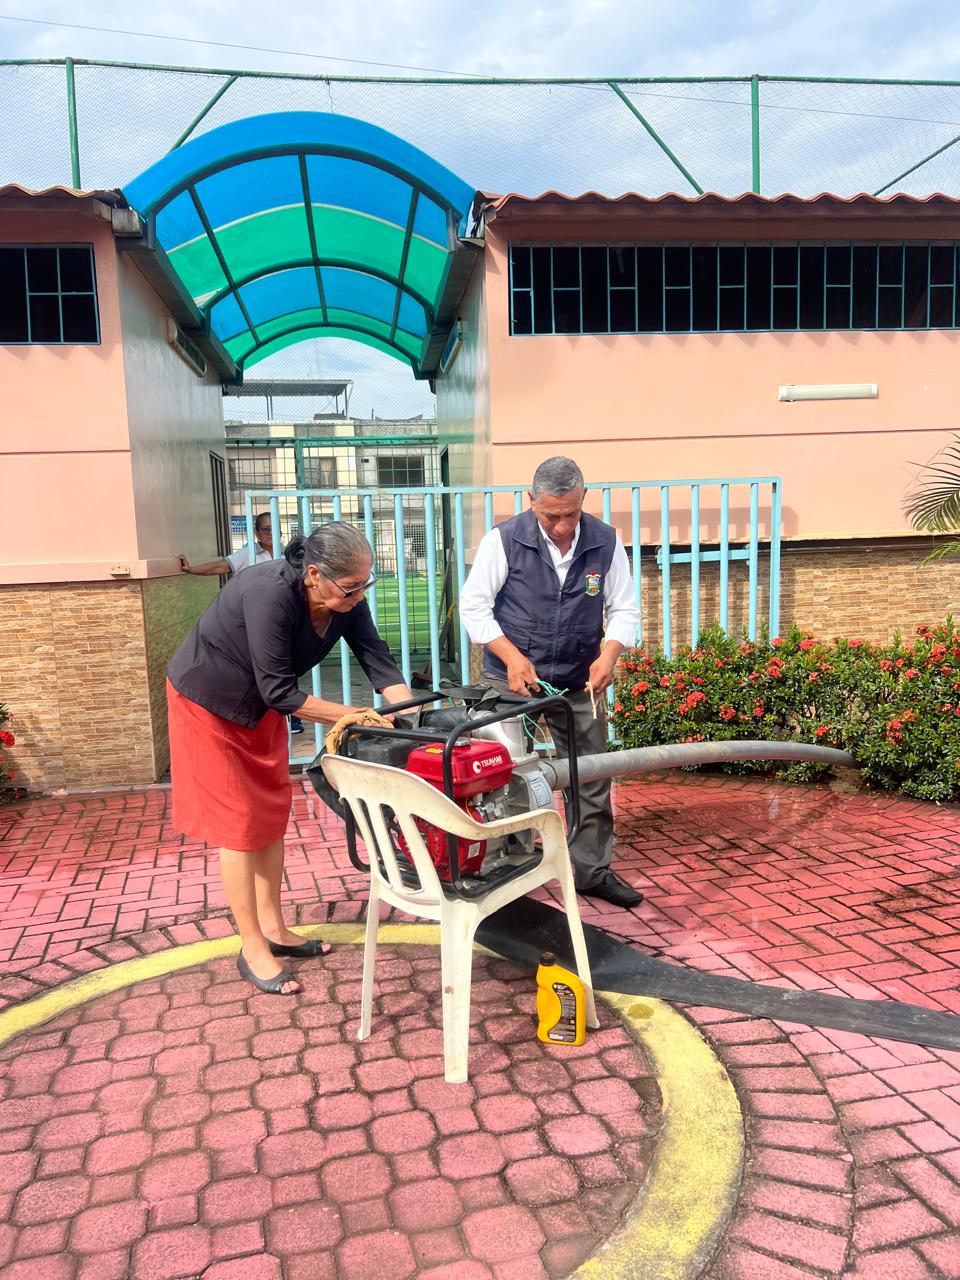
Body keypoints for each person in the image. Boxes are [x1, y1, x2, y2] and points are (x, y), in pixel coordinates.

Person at [166, 522, 413, 995]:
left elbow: (376, 657)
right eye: (352, 586)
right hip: (209, 702)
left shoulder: (347, 601)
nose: (360, 595)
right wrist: (355, 715)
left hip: (257, 708)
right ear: (314, 574)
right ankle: (251, 946)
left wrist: (409, 714)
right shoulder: (269, 593)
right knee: (239, 824)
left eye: (366, 583)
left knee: (270, 812)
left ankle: (274, 928)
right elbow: (279, 690)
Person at [459, 456, 643, 909]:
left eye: (571, 515)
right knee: (503, 777)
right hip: (511, 680)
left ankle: (592, 871)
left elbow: (624, 608)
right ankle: (509, 869)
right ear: (531, 501)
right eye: (550, 516)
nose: (562, 527)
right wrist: (511, 657)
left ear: (583, 500)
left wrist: (609, 655)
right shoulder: (503, 540)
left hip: (579, 682)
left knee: (590, 774)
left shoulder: (604, 541)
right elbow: (475, 607)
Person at [179, 514, 305, 734]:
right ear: (257, 533)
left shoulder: (289, 555)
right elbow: (221, 566)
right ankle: (255, 715)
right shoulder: (248, 554)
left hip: (282, 621)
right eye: (265, 529)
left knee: (285, 666)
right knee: (259, 669)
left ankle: (291, 719)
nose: (271, 533)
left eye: (274, 528)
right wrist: (192, 569)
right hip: (253, 621)